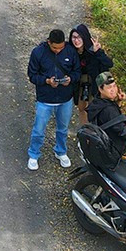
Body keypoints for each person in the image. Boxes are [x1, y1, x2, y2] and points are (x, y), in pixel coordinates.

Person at [26, 28, 80, 171]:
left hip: (65, 99)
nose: (58, 50)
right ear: (49, 42)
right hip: (45, 100)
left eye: (61, 47)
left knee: (63, 129)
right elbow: (32, 75)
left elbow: (77, 72)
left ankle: (61, 151)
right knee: (39, 130)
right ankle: (34, 154)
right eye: (55, 48)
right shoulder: (38, 53)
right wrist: (46, 81)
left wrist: (71, 79)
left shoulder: (70, 51)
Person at [86, 71, 126, 176]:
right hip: (120, 151)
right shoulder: (109, 110)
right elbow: (122, 132)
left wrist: (119, 102)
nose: (113, 90)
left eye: (114, 86)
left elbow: (111, 121)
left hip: (107, 147)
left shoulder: (97, 103)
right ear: (100, 89)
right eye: (109, 88)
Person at [69, 24, 113, 124]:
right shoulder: (70, 51)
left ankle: (96, 132)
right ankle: (85, 131)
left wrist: (98, 52)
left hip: (93, 83)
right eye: (74, 37)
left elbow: (109, 64)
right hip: (79, 84)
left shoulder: (92, 49)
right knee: (81, 108)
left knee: (94, 109)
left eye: (79, 37)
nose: (76, 40)